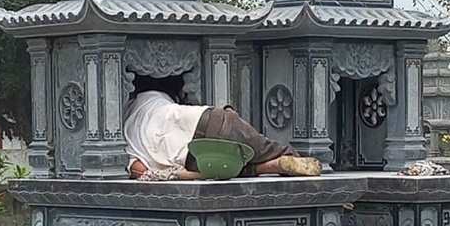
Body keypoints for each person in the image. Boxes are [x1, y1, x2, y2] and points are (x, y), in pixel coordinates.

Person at [124, 90, 321, 180]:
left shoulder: (126, 137)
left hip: (193, 155)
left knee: (228, 169)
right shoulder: (152, 98)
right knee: (271, 149)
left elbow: (139, 170)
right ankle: (287, 161)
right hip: (213, 118)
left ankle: (272, 166)